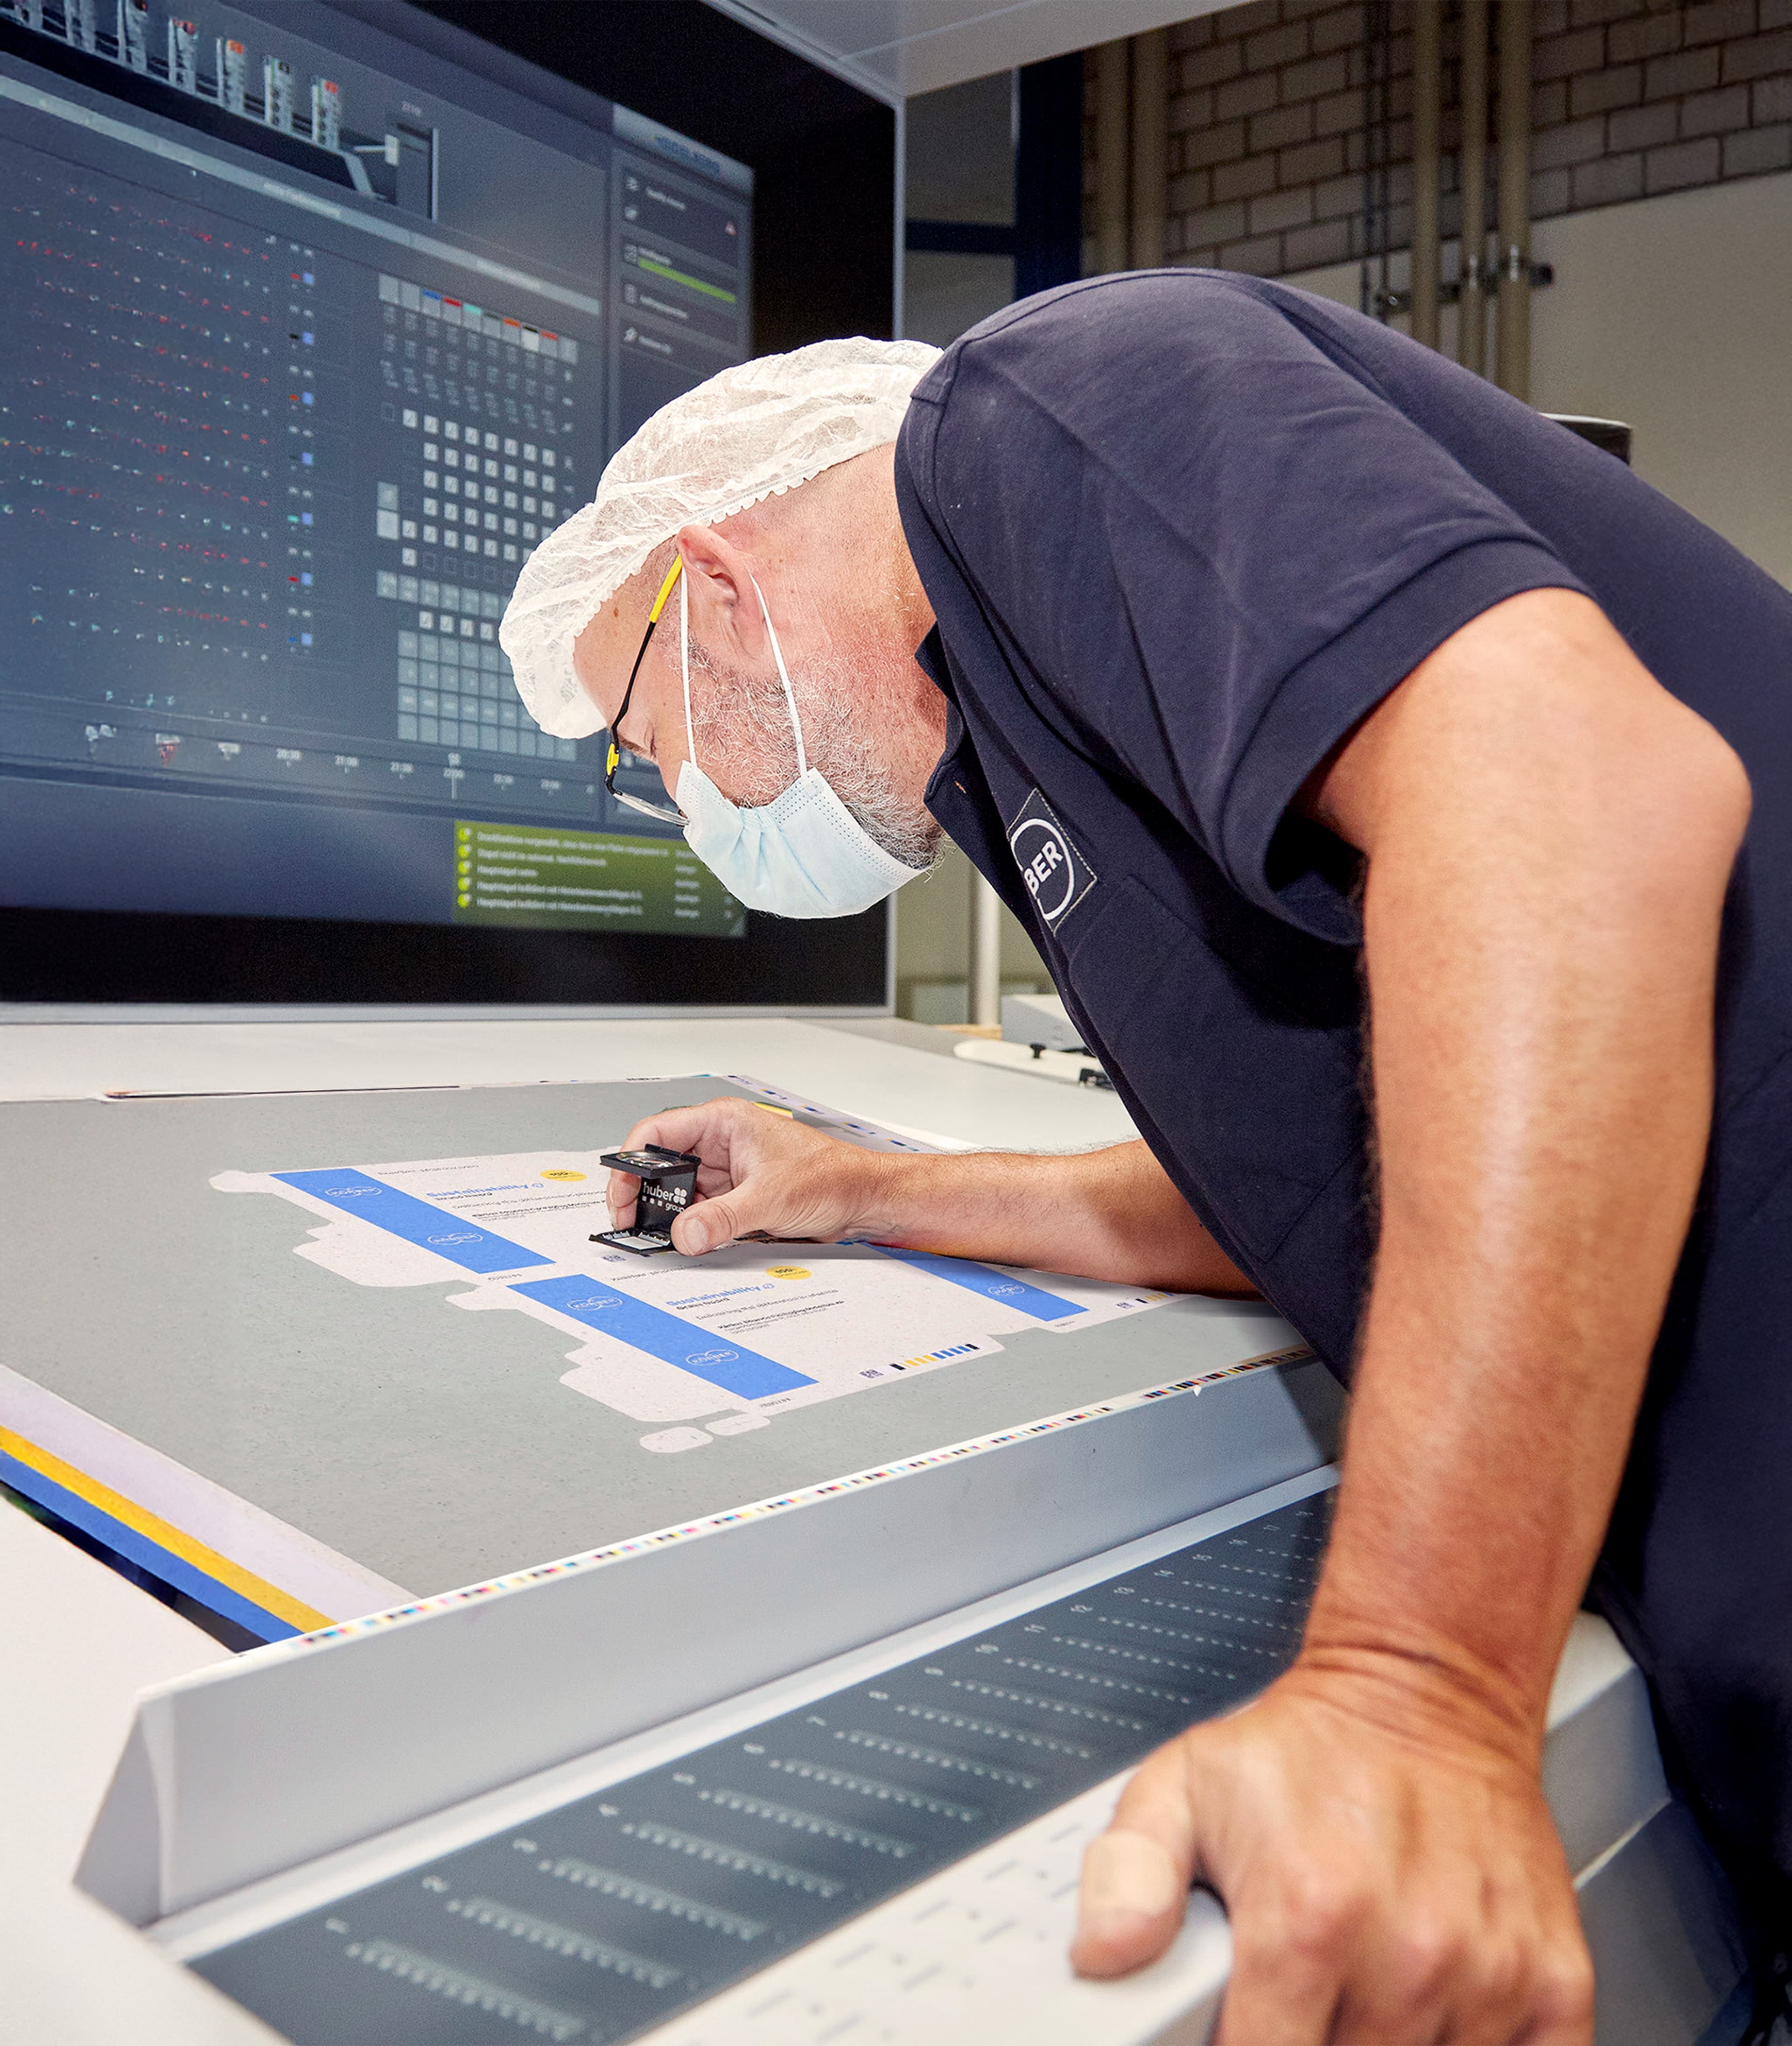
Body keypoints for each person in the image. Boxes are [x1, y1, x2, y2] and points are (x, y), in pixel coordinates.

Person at [501, 275, 1791, 2044]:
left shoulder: (1037, 413)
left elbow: (1577, 792)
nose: (695, 809)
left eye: (654, 751)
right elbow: (1346, 1178)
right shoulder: (1034, 740)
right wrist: (859, 1185)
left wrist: (1413, 1693)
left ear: (715, 590)